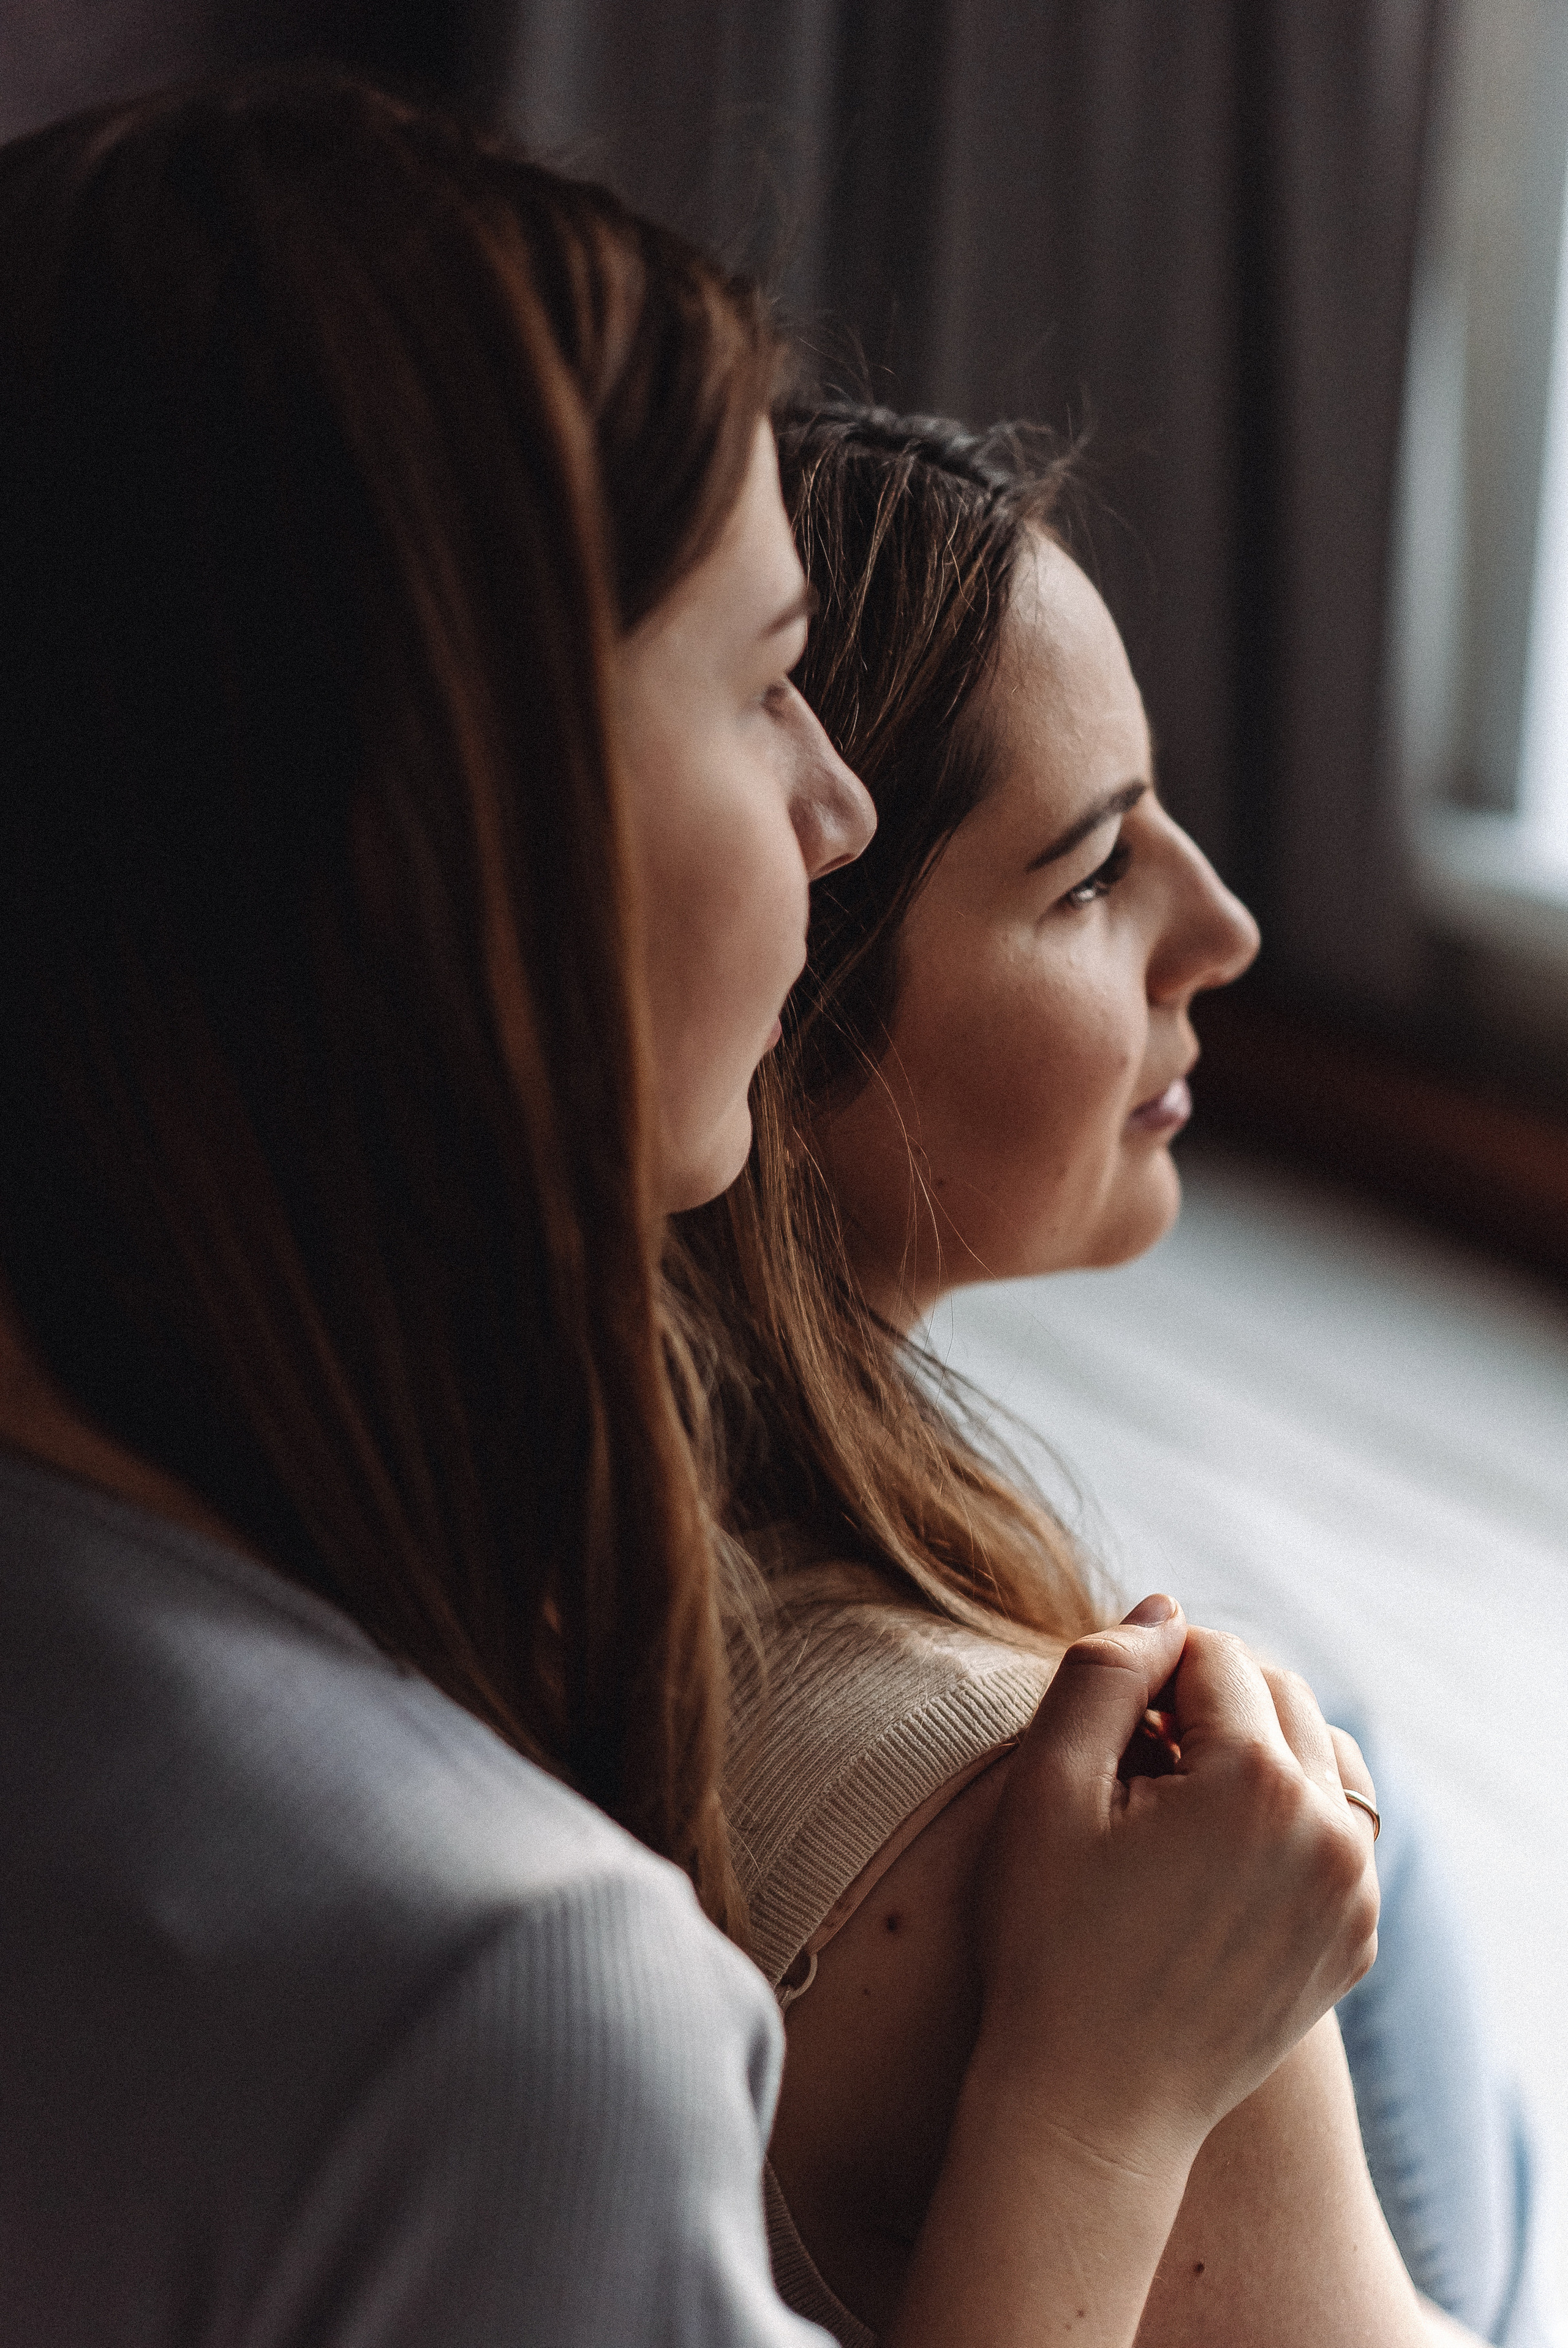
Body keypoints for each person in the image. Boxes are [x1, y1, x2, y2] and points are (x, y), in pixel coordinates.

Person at [0, 78, 1379, 2348]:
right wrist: (1100, 2101)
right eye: (762, 689)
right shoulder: (514, 2007)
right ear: (471, 841)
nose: (829, 810)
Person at [680, 404, 1532, 2346]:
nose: (1222, 930)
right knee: (1336, 1791)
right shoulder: (1060, 1843)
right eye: (1087, 877)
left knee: (1349, 1763)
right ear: (779, 1004)